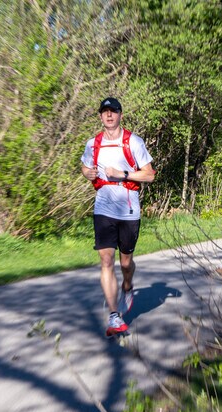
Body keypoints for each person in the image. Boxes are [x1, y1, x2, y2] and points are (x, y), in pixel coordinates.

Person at [81, 97, 156, 337]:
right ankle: (114, 316)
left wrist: (122, 174)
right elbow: (84, 167)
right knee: (106, 261)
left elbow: (149, 175)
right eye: (105, 112)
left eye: (113, 111)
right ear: (101, 116)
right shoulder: (93, 144)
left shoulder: (134, 142)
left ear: (120, 114)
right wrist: (88, 172)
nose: (109, 116)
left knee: (125, 263)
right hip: (103, 208)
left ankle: (128, 285)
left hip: (129, 209)